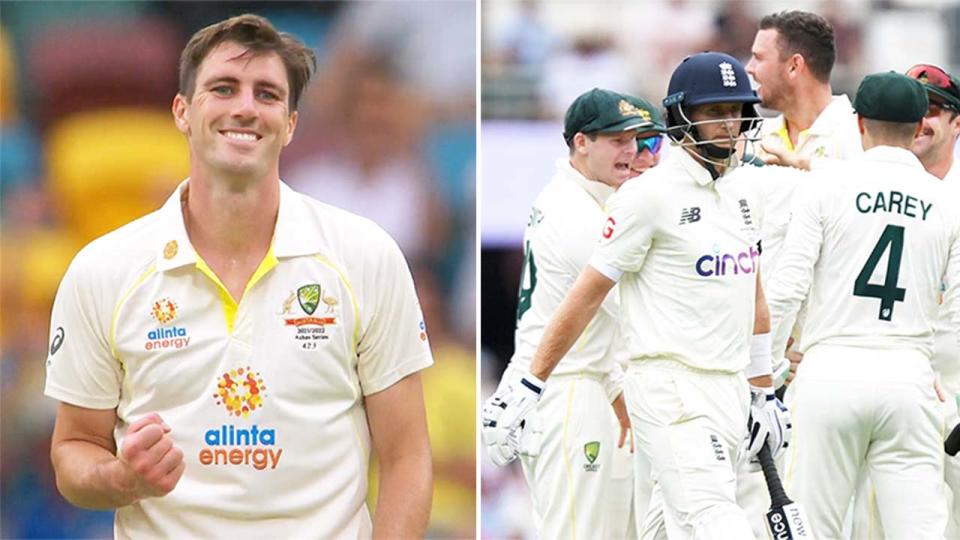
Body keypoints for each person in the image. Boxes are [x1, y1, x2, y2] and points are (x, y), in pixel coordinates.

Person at [43, 14, 433, 539]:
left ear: (291, 123)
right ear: (182, 111)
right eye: (223, 88)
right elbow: (72, 451)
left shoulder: (366, 255)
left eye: (268, 94)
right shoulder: (103, 270)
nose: (245, 107)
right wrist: (120, 477)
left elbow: (406, 456)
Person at [484, 52, 791, 539]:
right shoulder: (623, 203)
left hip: (703, 386)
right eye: (715, 112)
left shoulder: (735, 192)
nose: (729, 126)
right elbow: (593, 302)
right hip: (627, 387)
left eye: (736, 112)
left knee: (654, 531)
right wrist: (527, 384)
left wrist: (761, 391)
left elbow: (750, 293)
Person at [766, 72, 960, 539]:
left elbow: (788, 286)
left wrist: (767, 375)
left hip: (829, 372)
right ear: (917, 128)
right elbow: (955, 307)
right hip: (908, 378)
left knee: (812, 528)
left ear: (858, 125)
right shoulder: (947, 202)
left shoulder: (826, 186)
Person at [481, 88, 664, 539]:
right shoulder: (577, 214)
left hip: (587, 384)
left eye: (639, 140)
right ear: (582, 142)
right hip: (570, 391)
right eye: (618, 140)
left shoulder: (583, 199)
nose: (632, 152)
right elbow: (635, 314)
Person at [852, 62, 960, 540]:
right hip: (896, 387)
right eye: (918, 108)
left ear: (957, 122)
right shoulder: (866, 190)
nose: (922, 120)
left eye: (934, 109)